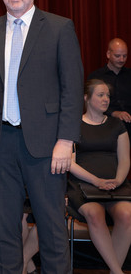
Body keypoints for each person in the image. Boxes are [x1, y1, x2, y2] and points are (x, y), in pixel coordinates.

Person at [0, 0, 84, 273]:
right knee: (5, 228)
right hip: (0, 144)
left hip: (47, 146)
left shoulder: (60, 28)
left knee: (51, 228)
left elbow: (72, 88)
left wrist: (66, 140)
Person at [67, 79, 131, 274]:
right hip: (84, 186)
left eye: (108, 96)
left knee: (127, 215)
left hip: (115, 185)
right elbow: (70, 163)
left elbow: (125, 159)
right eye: (101, 95)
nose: (106, 99)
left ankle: (114, 271)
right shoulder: (73, 125)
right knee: (95, 215)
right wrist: (96, 181)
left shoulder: (117, 125)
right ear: (87, 98)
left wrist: (118, 180)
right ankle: (118, 272)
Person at [87, 38, 131, 133]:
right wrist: (114, 113)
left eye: (125, 56)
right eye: (117, 56)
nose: (122, 59)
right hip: (104, 126)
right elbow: (91, 104)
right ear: (108, 54)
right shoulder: (96, 76)